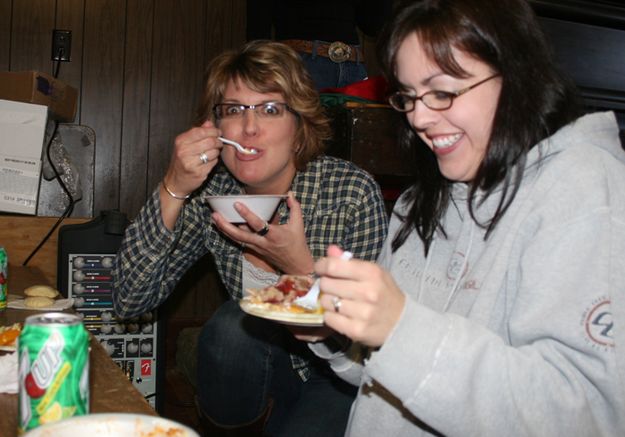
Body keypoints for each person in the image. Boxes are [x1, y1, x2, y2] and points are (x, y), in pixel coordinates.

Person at [309, 0, 625, 435]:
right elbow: (385, 377)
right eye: (408, 95)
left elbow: (587, 415)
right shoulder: (417, 204)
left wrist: (401, 328)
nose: (419, 117)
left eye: (442, 91)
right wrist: (337, 331)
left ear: (516, 77)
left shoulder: (585, 188)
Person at [111, 40, 388, 437]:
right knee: (233, 326)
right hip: (258, 370)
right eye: (233, 110)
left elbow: (368, 342)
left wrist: (299, 269)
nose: (249, 127)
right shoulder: (213, 195)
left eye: (271, 109)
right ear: (216, 128)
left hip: (338, 375)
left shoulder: (348, 192)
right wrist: (173, 186)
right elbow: (130, 298)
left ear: (300, 126)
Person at [246, 0, 392, 90]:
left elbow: (374, 25)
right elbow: (258, 21)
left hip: (353, 65)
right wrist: (258, 72)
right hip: (300, 63)